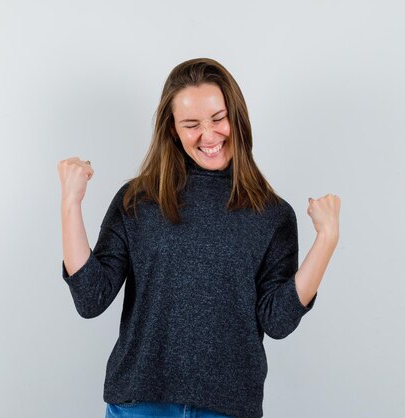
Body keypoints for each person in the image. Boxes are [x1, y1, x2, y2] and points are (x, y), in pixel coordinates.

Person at [56, 58, 340, 418]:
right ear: (173, 130)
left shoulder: (272, 214)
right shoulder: (138, 200)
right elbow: (90, 297)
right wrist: (71, 204)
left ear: (237, 117)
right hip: (141, 404)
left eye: (218, 118)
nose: (209, 136)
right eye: (191, 124)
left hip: (228, 408)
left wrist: (326, 241)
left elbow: (277, 321)